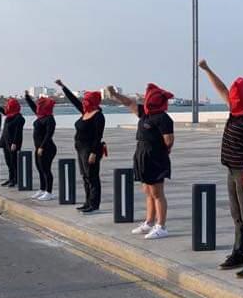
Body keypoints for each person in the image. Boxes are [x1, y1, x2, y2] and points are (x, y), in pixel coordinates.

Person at [199, 59, 243, 278]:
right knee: (237, 214)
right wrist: (207, 69)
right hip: (231, 169)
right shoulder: (236, 109)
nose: (232, 100)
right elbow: (221, 88)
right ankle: (239, 252)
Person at [105, 83, 174, 239]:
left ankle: (161, 226)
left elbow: (168, 140)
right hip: (142, 155)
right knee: (147, 191)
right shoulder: (145, 113)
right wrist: (115, 94)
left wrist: (160, 151)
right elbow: (129, 103)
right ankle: (149, 222)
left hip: (156, 157)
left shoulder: (163, 118)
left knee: (157, 192)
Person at [56, 79, 106, 213]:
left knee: (92, 177)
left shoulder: (98, 116)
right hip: (80, 148)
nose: (84, 102)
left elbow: (98, 136)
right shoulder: (85, 112)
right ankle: (87, 202)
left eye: (87, 100)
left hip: (91, 150)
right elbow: (74, 100)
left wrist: (94, 153)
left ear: (94, 102)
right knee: (85, 176)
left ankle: (94, 205)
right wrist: (63, 87)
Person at [25, 91, 57, 201]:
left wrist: (42, 147)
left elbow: (49, 134)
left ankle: (49, 192)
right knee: (40, 169)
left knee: (46, 169)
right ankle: (42, 189)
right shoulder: (40, 116)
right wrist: (27, 97)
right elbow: (33, 107)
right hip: (38, 148)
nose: (38, 107)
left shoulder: (50, 119)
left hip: (47, 148)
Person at [0, 97, 25, 187]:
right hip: (5, 142)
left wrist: (15, 143)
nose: (7, 107)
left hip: (13, 143)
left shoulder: (19, 118)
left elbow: (18, 132)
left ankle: (15, 179)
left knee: (14, 162)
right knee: (8, 161)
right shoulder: (9, 116)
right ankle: (10, 178)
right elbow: (0, 109)